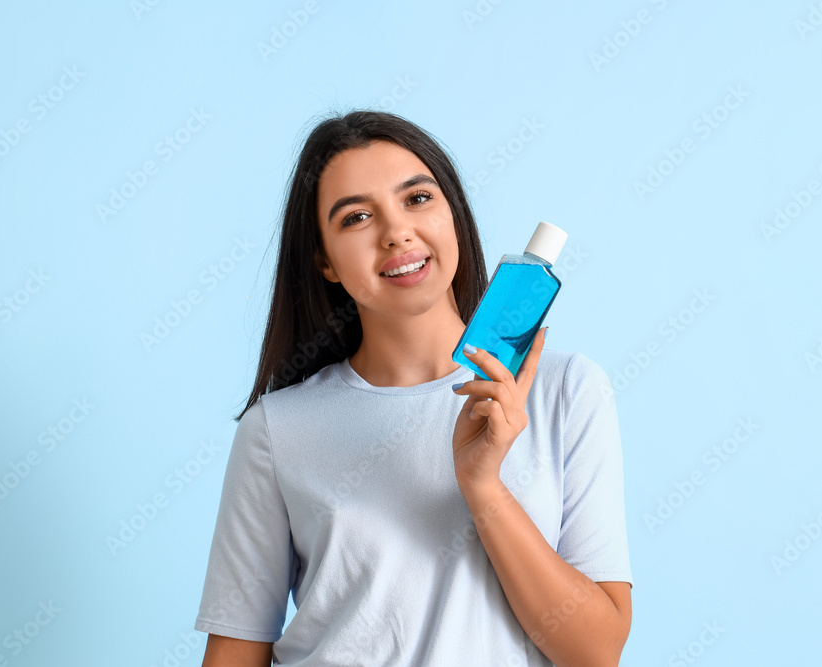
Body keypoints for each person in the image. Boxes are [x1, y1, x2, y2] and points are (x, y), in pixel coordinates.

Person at [195, 110, 633, 666]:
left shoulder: (565, 391)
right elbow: (234, 653)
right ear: (325, 261)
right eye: (356, 217)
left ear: (454, 216)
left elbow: (596, 652)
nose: (396, 232)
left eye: (418, 199)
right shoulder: (276, 430)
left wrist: (483, 487)